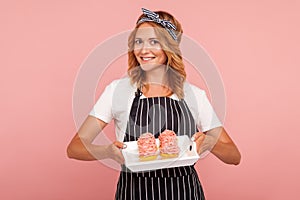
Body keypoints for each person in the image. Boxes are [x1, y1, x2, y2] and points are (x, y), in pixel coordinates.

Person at [67, 8, 241, 200]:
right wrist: (106, 152)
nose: (143, 50)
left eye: (154, 41)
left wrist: (209, 143)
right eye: (139, 41)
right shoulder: (118, 90)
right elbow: (75, 147)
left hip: (185, 194)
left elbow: (234, 156)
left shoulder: (193, 95)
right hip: (133, 194)